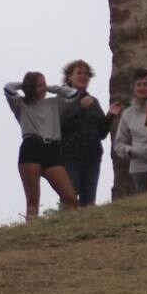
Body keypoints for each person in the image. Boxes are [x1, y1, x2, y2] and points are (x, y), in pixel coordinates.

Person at [4, 72, 81, 221]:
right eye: (39, 85)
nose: (43, 88)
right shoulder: (20, 104)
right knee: (33, 201)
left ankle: (71, 227)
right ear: (31, 87)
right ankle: (31, 233)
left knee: (70, 197)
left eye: (44, 84)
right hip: (32, 147)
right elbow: (8, 88)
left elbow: (74, 94)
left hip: (52, 150)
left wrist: (52, 88)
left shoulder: (54, 103)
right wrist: (24, 84)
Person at [59, 59, 121, 207]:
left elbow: (101, 133)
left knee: (89, 203)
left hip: (92, 158)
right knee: (70, 198)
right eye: (79, 73)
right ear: (69, 77)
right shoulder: (61, 99)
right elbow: (61, 126)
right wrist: (80, 107)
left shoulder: (93, 101)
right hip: (70, 158)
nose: (83, 76)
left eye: (86, 74)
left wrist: (110, 115)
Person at [113, 68, 147, 193]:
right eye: (138, 85)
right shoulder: (128, 114)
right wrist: (132, 151)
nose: (142, 88)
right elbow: (119, 144)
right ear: (133, 88)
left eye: (145, 85)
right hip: (139, 169)